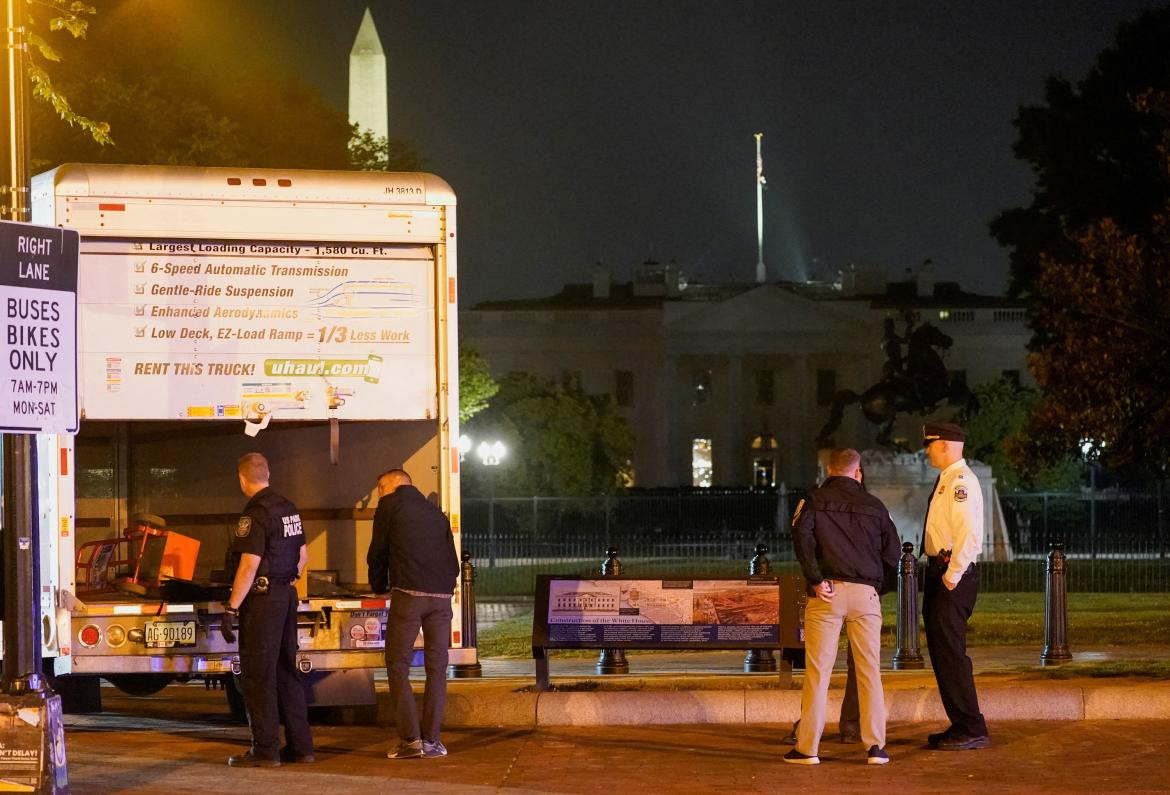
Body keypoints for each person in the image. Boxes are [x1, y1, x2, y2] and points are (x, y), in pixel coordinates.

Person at [784, 448, 901, 766]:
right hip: (865, 593)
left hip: (827, 593)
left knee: (818, 673)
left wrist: (815, 578)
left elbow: (801, 538)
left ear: (829, 470)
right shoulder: (875, 506)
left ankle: (808, 747)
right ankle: (875, 746)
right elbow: (893, 553)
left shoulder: (813, 500)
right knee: (869, 672)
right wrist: (876, 585)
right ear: (857, 472)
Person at [223, 452, 314, 768]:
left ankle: (265, 750)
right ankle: (301, 748)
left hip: (263, 602)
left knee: (258, 675)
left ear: (242, 479)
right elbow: (303, 558)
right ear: (268, 473)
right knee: (287, 671)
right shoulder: (289, 508)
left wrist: (232, 608)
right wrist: (285, 582)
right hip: (287, 595)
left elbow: (248, 565)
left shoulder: (255, 514)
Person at [367, 468, 460, 760]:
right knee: (437, 669)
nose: (379, 495)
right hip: (442, 600)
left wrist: (379, 586)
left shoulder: (389, 505)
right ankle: (432, 742)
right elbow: (454, 564)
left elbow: (378, 551)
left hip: (409, 597)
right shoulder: (437, 514)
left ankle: (410, 741)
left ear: (389, 485)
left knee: (397, 665)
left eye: (379, 488)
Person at [921, 422, 991, 750]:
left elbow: (969, 536)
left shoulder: (960, 482)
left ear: (945, 445)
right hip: (941, 573)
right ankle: (962, 724)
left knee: (951, 655)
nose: (926, 451)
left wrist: (951, 577)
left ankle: (971, 726)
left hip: (952, 576)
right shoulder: (948, 480)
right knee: (944, 655)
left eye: (930, 445)